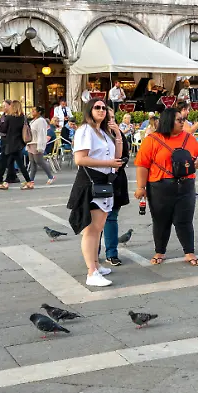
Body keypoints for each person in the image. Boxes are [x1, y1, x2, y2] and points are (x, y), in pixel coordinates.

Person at [134, 106, 198, 266]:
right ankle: (160, 251)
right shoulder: (152, 140)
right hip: (159, 187)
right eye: (179, 120)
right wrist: (141, 187)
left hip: (186, 185)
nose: (183, 122)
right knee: (160, 221)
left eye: (183, 120)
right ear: (168, 121)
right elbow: (142, 165)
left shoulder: (189, 138)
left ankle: (189, 252)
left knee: (185, 220)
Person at [67, 98, 124, 287]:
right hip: (91, 181)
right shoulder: (85, 130)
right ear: (89, 110)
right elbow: (80, 159)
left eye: (103, 108)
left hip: (105, 181)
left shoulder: (104, 132)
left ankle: (96, 265)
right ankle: (91, 272)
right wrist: (108, 163)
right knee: (91, 230)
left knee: (99, 227)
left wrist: (117, 133)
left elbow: (117, 156)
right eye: (97, 107)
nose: (101, 110)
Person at [101, 128, 131, 267]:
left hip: (116, 180)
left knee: (111, 217)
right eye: (109, 118)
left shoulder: (118, 134)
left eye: (113, 118)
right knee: (95, 220)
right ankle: (93, 254)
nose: (111, 120)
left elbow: (125, 156)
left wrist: (118, 165)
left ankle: (112, 254)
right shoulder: (91, 132)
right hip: (96, 179)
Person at [0, 100, 32, 190]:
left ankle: (29, 182)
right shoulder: (23, 118)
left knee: (20, 164)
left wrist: (1, 123)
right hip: (20, 143)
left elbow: (3, 130)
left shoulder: (9, 118)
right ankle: (6, 183)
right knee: (10, 161)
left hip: (11, 143)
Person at [27, 106, 55, 185]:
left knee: (39, 161)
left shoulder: (41, 121)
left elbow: (41, 134)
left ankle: (50, 176)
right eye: (32, 110)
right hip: (30, 143)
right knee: (32, 162)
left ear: (39, 112)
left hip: (36, 143)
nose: (32, 112)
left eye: (34, 111)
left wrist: (40, 146)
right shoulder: (33, 121)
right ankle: (31, 179)